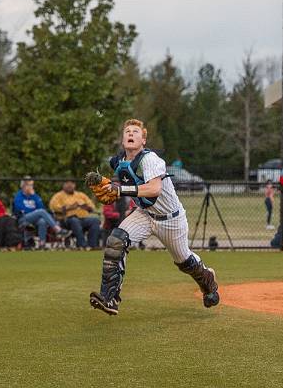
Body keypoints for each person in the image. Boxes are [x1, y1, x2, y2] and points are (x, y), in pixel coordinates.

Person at [88, 118, 219, 315]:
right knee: (116, 241)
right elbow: (121, 181)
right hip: (145, 214)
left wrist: (119, 190)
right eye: (127, 131)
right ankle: (109, 298)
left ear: (143, 141)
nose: (131, 134)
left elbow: (154, 189)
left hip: (171, 219)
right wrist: (109, 186)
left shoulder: (150, 160)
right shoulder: (118, 161)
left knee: (184, 262)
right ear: (123, 139)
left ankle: (208, 280)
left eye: (136, 132)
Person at [12, 177, 69, 249]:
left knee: (42, 221)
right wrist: (35, 212)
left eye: (32, 185)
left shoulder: (34, 196)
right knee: (40, 212)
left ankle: (42, 243)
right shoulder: (18, 196)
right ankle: (58, 229)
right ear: (23, 186)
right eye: (29, 185)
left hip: (35, 218)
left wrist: (34, 196)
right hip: (23, 218)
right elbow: (20, 209)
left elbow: (41, 207)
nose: (31, 187)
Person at [50, 180, 101, 249]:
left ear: (74, 185)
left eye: (72, 183)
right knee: (74, 221)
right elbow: (54, 207)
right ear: (63, 185)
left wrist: (85, 206)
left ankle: (92, 245)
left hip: (83, 218)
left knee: (95, 221)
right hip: (66, 220)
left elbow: (92, 206)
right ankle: (82, 245)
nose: (70, 185)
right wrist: (70, 207)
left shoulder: (81, 195)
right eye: (67, 183)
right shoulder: (58, 196)